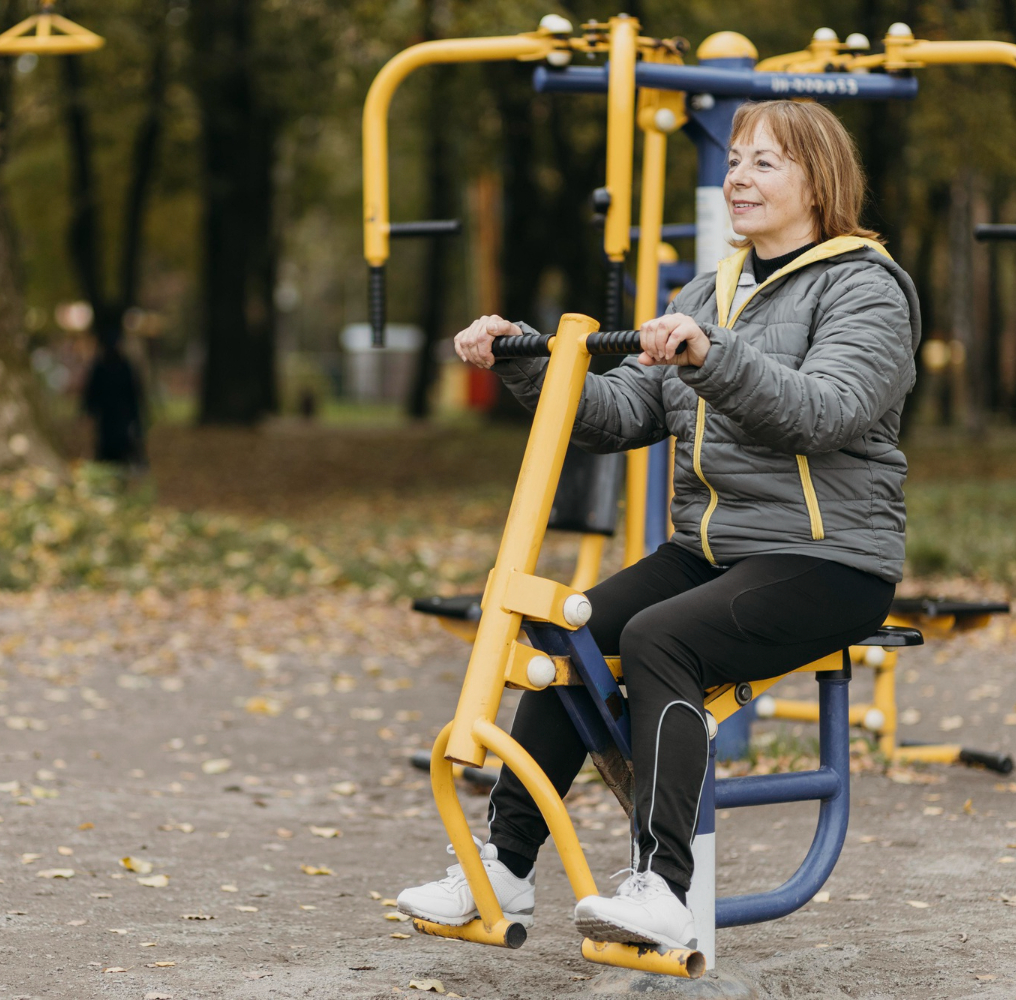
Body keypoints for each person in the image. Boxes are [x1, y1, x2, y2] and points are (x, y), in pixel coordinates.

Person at [396, 100, 921, 951]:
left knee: (659, 640)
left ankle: (660, 889)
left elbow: (825, 412)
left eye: (765, 163)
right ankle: (503, 866)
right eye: (736, 160)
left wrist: (714, 356)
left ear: (817, 183)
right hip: (712, 550)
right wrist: (529, 360)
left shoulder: (866, 286)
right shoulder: (708, 290)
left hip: (828, 558)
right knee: (569, 632)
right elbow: (615, 414)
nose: (738, 177)